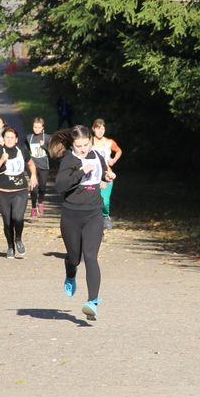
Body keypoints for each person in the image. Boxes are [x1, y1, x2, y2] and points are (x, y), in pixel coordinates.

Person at [50, 125, 117, 320]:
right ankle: (70, 273)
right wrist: (80, 171)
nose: (83, 149)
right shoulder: (69, 159)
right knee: (74, 258)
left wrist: (108, 175)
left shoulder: (96, 155)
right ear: (73, 144)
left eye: (85, 144)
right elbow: (60, 186)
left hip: (94, 215)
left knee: (90, 257)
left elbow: (104, 173)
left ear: (90, 141)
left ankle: (92, 303)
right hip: (71, 216)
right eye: (78, 145)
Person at [0, 127, 38, 258]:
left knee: (18, 218)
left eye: (12, 137)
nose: (9, 140)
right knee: (7, 222)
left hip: (20, 191)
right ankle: (10, 246)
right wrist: (1, 160)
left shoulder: (22, 150)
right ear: (3, 139)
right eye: (7, 137)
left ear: (16, 139)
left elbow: (31, 164)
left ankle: (18, 239)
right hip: (3, 192)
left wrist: (33, 175)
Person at [91, 118, 123, 230]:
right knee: (93, 203)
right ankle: (97, 229)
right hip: (92, 176)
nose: (100, 131)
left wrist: (113, 160)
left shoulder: (109, 142)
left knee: (104, 201)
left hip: (107, 175)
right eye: (98, 128)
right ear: (93, 129)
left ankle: (105, 216)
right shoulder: (89, 142)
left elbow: (119, 151)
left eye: (103, 128)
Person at [26, 117, 51, 219]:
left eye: (39, 127)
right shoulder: (28, 137)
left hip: (44, 165)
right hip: (33, 166)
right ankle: (33, 208)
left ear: (42, 128)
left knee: (42, 187)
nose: (36, 129)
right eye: (35, 127)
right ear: (33, 127)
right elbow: (26, 151)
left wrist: (44, 146)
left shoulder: (48, 137)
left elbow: (51, 152)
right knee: (34, 188)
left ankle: (40, 202)